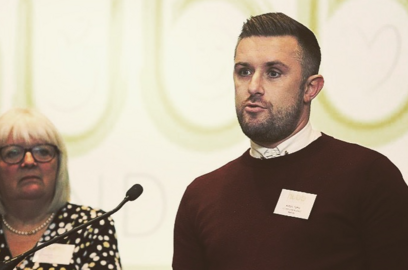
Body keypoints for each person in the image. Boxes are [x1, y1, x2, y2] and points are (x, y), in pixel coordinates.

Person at [172, 12, 408, 269]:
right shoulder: (201, 195)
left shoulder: (369, 176)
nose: (253, 86)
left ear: (310, 88)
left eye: (273, 73)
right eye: (244, 71)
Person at [0, 108, 122, 270]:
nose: (29, 161)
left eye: (43, 152)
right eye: (13, 153)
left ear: (59, 164)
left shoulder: (91, 227)